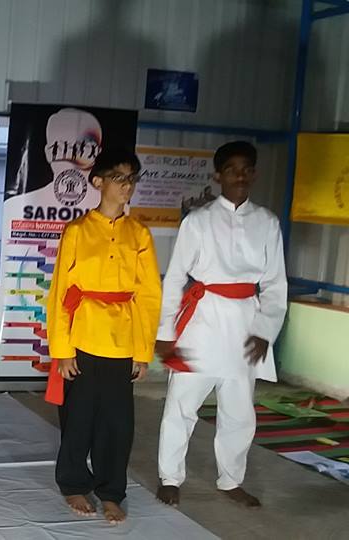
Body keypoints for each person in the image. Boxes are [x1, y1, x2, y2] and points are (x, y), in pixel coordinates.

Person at [155, 141, 287, 509]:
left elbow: (276, 284)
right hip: (202, 321)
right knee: (181, 405)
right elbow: (175, 277)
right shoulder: (198, 221)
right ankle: (170, 476)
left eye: (246, 170)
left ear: (254, 174)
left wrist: (265, 331)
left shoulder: (267, 223)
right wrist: (165, 333)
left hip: (245, 324)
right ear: (218, 176)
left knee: (239, 411)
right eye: (232, 170)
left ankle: (231, 480)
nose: (240, 176)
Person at [44, 148, 161, 525]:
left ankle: (111, 491)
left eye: (132, 179)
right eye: (119, 178)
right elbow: (61, 292)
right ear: (98, 182)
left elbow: (148, 296)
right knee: (78, 417)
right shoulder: (78, 231)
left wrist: (143, 351)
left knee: (117, 423)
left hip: (122, 339)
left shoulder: (139, 234)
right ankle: (73, 483)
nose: (127, 186)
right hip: (83, 336)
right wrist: (62, 350)